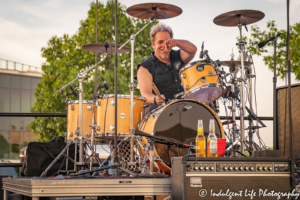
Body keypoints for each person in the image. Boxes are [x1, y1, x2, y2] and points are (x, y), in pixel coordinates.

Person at [137, 23, 197, 114]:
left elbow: (193, 50)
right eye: (160, 42)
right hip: (159, 112)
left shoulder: (178, 56)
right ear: (153, 45)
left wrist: (176, 42)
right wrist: (155, 99)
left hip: (184, 108)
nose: (165, 46)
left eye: (167, 41)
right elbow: (145, 94)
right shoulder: (145, 67)